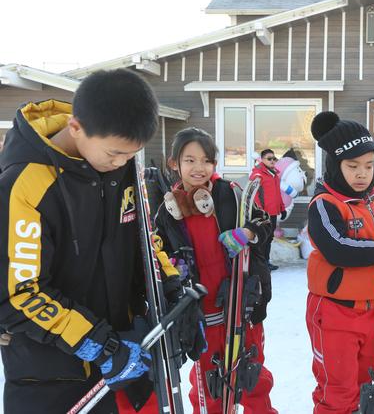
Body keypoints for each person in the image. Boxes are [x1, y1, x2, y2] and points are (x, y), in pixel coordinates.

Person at [0, 69, 175, 413]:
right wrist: (98, 344)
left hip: (123, 366)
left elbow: (144, 238)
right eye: (115, 154)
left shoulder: (118, 165)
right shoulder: (25, 183)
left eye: (130, 155)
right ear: (76, 127)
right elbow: (20, 292)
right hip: (51, 379)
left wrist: (170, 286)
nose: (122, 163)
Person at [153, 127, 277, 414]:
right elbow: (158, 254)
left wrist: (247, 233)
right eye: (190, 160)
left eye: (207, 160)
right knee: (208, 387)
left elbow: (264, 223)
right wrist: (174, 268)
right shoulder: (166, 212)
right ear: (174, 163)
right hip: (201, 316)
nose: (199, 168)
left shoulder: (230, 194)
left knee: (252, 377)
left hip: (239, 306)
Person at [306, 111, 374, 414]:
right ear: (334, 166)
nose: (362, 173)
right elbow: (339, 249)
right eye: (352, 166)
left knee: (365, 385)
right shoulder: (324, 205)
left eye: (368, 165)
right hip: (335, 313)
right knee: (337, 391)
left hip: (371, 311)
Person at [250, 149, 286, 271]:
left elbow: (277, 194)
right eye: (269, 159)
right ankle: (260, 264)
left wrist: (282, 208)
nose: (272, 161)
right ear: (262, 160)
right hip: (264, 214)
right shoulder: (258, 174)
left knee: (269, 238)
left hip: (273, 213)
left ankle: (266, 261)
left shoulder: (274, 174)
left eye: (274, 158)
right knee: (262, 239)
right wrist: (260, 212)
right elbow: (255, 195)